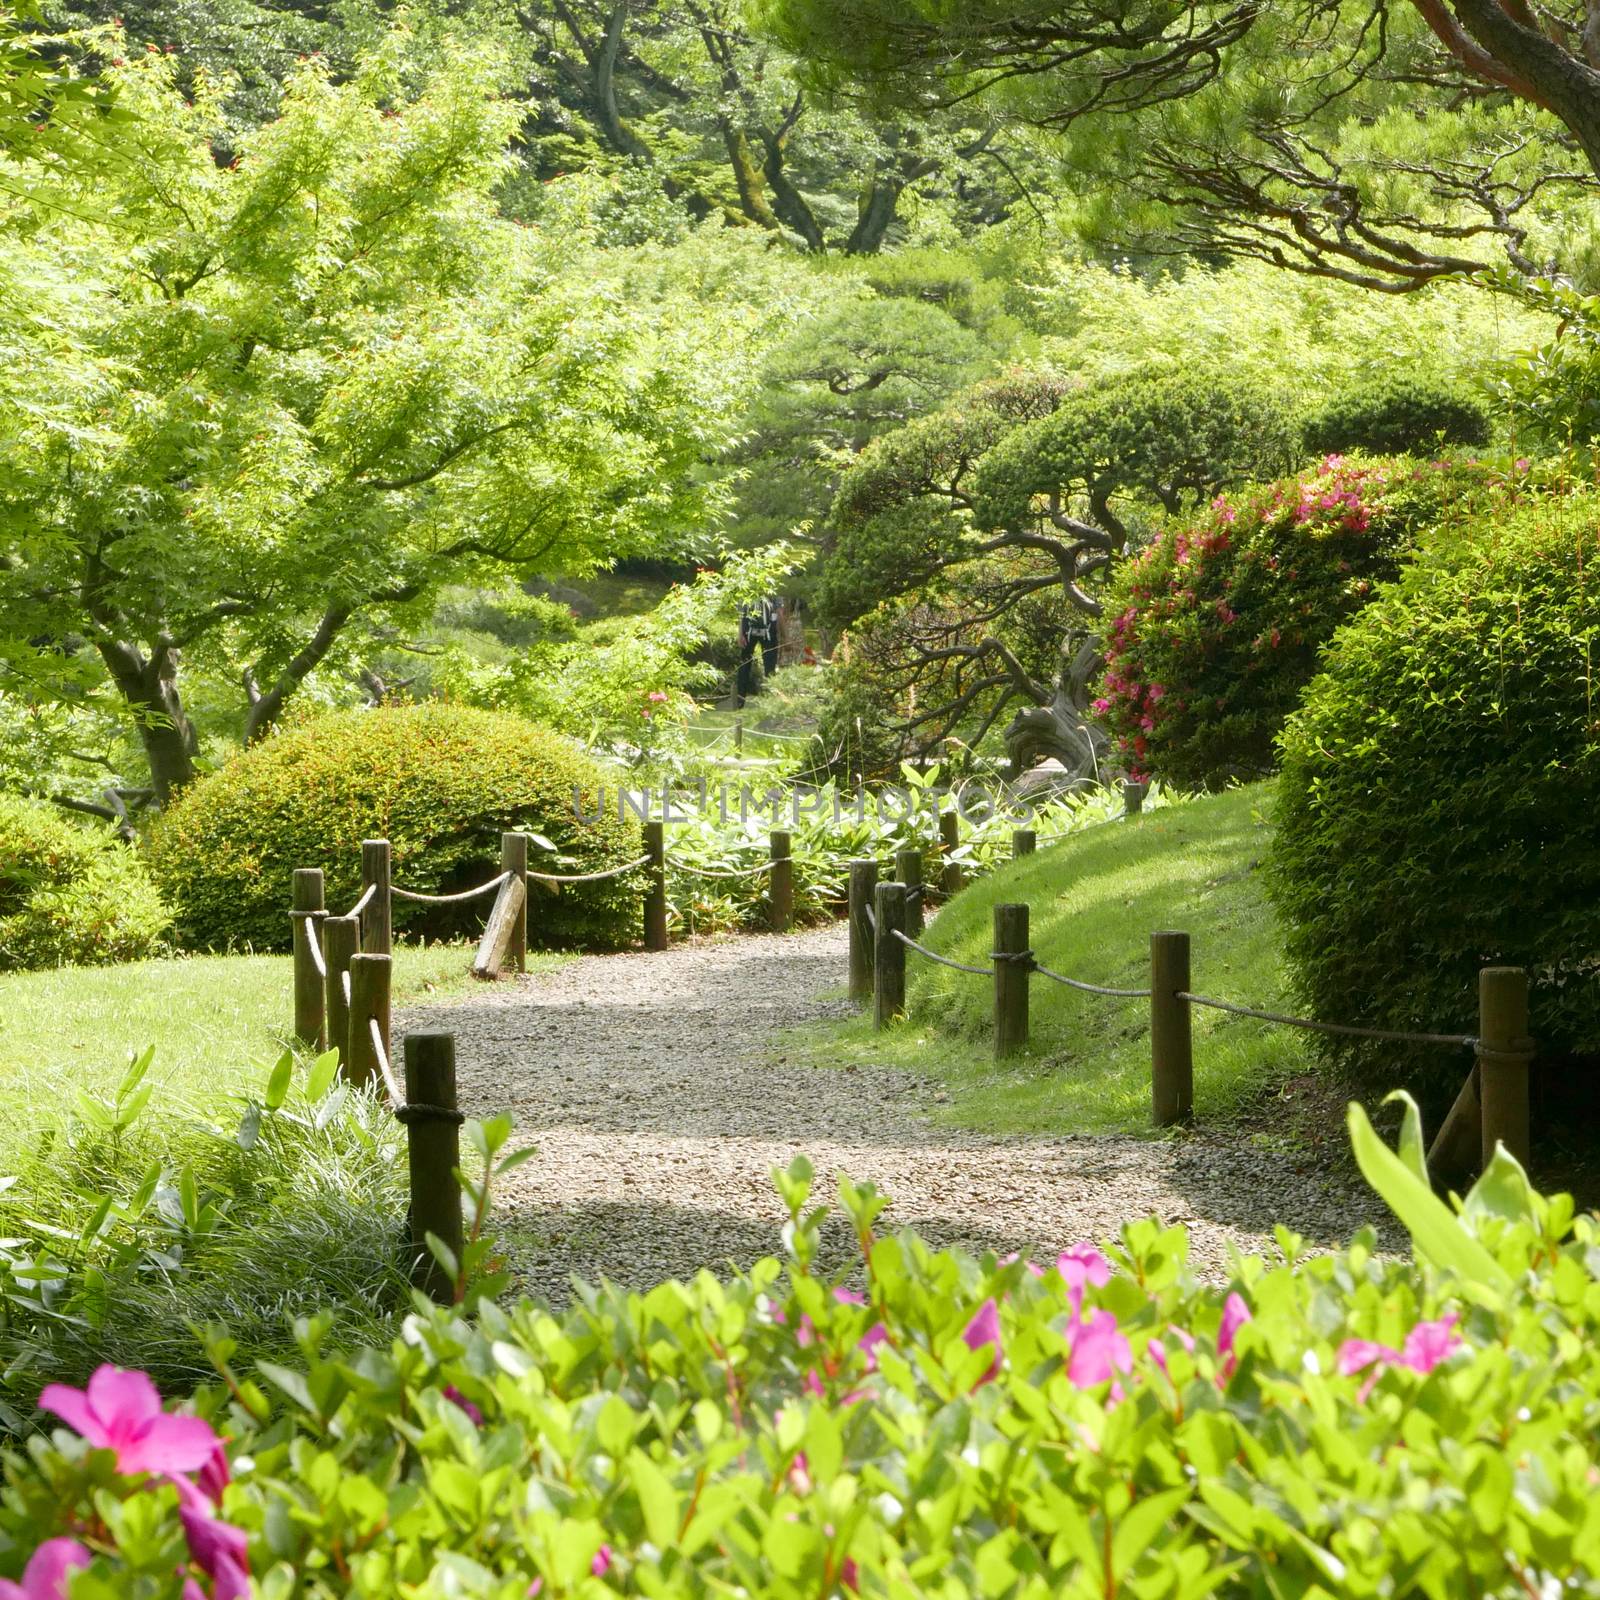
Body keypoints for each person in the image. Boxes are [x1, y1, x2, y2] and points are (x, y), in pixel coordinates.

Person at [736, 596, 779, 706]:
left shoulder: (747, 589)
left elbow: (741, 614)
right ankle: (770, 699)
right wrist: (783, 634)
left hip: (749, 631)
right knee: (769, 666)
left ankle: (740, 700)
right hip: (768, 632)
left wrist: (740, 633)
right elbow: (779, 612)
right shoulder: (772, 591)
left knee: (745, 664)